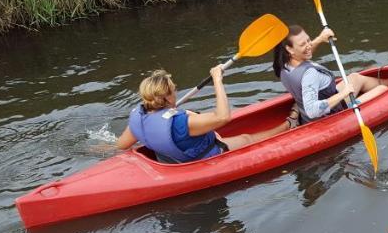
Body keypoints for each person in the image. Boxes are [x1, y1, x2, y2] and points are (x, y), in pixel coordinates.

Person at [116, 66, 288, 162]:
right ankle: (288, 125)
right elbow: (223, 117)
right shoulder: (181, 123)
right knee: (246, 139)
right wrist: (217, 80)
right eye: (174, 89)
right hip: (200, 158)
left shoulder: (138, 116)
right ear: (167, 97)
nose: (176, 91)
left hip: (169, 159)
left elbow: (122, 145)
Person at [272, 25, 388, 124]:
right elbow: (312, 111)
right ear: (289, 49)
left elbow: (303, 52)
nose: (308, 45)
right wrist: (343, 94)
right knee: (382, 90)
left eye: (308, 40)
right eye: (302, 44)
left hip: (309, 114)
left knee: (354, 77)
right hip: (329, 115)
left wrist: (320, 38)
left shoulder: (283, 65)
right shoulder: (310, 74)